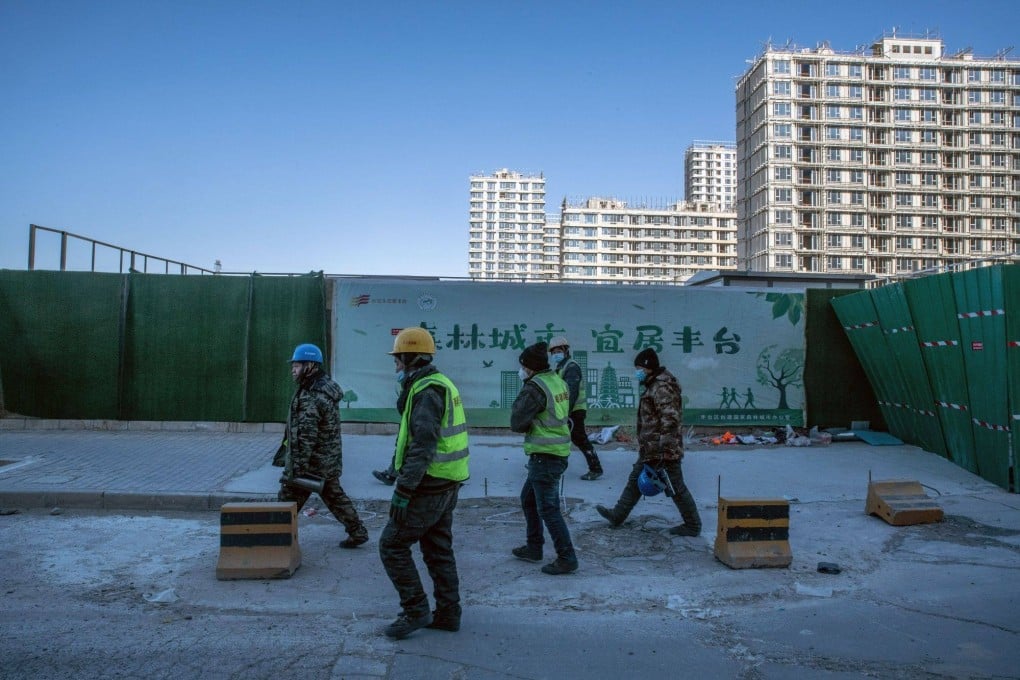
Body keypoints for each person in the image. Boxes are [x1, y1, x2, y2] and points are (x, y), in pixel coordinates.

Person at [378, 327, 470, 640]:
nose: (396, 367)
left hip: (428, 485)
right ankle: (448, 613)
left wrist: (403, 491)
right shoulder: (438, 383)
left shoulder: (428, 390)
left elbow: (423, 446)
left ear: (410, 358)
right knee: (437, 548)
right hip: (447, 482)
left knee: (392, 545)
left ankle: (416, 610)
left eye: (398, 361)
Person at [595, 347, 701, 537]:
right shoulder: (653, 385)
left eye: (638, 368)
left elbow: (670, 420)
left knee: (676, 487)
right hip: (651, 448)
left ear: (647, 368)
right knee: (635, 479)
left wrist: (664, 449)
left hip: (663, 449)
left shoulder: (661, 387)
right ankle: (617, 515)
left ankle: (693, 525)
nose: (637, 372)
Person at [275, 343, 368, 549]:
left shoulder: (311, 395)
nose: (293, 369)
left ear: (310, 366)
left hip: (311, 464)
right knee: (335, 497)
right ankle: (357, 531)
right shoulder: (322, 388)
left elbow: (305, 436)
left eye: (297, 365)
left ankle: (274, 541)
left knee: (286, 501)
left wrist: (295, 469)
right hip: (327, 459)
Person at [510, 341, 579, 575]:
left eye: (522, 366)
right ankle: (533, 547)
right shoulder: (555, 380)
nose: (520, 370)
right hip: (555, 452)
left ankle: (567, 557)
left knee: (549, 509)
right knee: (528, 500)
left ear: (529, 367)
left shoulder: (535, 387)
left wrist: (525, 390)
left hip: (545, 455)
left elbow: (517, 422)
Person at [548, 336, 603, 481]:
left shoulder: (571, 367)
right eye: (553, 352)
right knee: (574, 438)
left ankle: (595, 468)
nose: (555, 354)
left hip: (574, 411)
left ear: (566, 351)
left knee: (576, 438)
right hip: (570, 410)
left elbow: (571, 393)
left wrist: (564, 413)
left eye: (558, 351)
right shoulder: (561, 367)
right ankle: (594, 468)